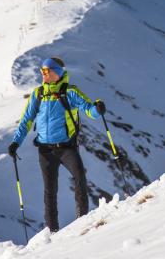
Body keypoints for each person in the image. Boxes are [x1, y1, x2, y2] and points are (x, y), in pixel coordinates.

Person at [8, 56, 106, 232]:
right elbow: (26, 120)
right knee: (49, 191)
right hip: (45, 150)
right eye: (42, 71)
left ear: (57, 73)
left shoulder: (70, 92)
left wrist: (97, 110)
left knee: (80, 179)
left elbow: (88, 109)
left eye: (47, 71)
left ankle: (82, 220)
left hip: (67, 147)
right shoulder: (38, 94)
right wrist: (16, 143)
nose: (43, 74)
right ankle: (52, 231)